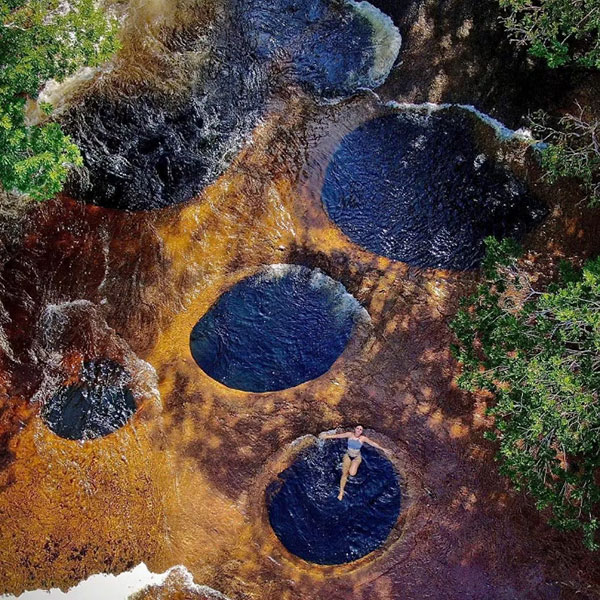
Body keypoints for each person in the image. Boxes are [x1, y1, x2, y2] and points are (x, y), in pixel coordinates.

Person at [319, 425, 391, 500]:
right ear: (355, 429)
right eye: (358, 428)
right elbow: (338, 436)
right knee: (344, 474)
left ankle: (351, 467)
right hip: (348, 455)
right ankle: (341, 492)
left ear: (361, 432)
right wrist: (327, 437)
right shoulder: (349, 434)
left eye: (361, 429)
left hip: (356, 458)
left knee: (352, 473)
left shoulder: (363, 438)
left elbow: (372, 443)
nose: (359, 430)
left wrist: (383, 449)